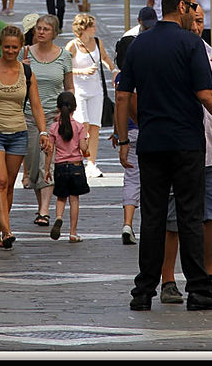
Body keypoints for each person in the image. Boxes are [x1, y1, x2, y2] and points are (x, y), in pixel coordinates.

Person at [116, 0, 212, 311]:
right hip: (187, 144)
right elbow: (206, 94)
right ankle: (199, 290)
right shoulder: (191, 44)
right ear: (181, 7)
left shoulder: (138, 44)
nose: (195, 12)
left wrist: (123, 140)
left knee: (152, 217)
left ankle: (143, 291)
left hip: (151, 144)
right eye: (192, 6)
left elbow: (122, 95)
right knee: (190, 215)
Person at [158, 5, 212, 305]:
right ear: (180, 15)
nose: (197, 26)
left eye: (201, 22)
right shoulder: (169, 49)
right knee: (173, 220)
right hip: (181, 147)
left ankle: (207, 276)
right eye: (193, 20)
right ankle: (168, 280)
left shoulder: (208, 52)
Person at [0, 24, 48, 250]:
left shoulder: (27, 73)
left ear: (21, 47)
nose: (10, 51)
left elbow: (36, 106)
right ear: (0, 46)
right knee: (0, 181)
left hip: (18, 133)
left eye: (14, 47)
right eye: (6, 47)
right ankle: (7, 230)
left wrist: (43, 132)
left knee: (9, 187)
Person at [21, 14, 74, 227]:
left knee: (48, 163)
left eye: (46, 29)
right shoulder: (25, 54)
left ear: (54, 33)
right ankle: (41, 205)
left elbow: (69, 87)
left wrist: (67, 111)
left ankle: (44, 211)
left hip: (54, 116)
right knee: (34, 166)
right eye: (38, 28)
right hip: (28, 116)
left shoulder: (64, 56)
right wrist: (22, 69)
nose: (41, 32)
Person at [64, 13, 116, 178]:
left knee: (94, 127)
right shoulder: (72, 46)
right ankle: (77, 160)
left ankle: (92, 164)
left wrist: (114, 71)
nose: (95, 29)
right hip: (78, 90)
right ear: (84, 29)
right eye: (92, 26)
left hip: (96, 91)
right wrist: (81, 71)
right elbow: (64, 69)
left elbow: (106, 58)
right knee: (83, 127)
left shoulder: (97, 42)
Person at [45, 91, 90, 242]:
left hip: (60, 166)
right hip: (76, 166)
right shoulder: (79, 127)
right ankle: (73, 232)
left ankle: (58, 217)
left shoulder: (53, 127)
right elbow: (83, 148)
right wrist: (87, 148)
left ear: (58, 108)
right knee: (74, 199)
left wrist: (46, 170)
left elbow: (49, 150)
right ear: (75, 108)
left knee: (61, 198)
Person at [112, 34, 140, 246]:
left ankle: (127, 222)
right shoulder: (148, 73)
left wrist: (118, 134)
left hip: (129, 133)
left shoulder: (121, 78)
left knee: (131, 177)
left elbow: (119, 106)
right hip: (150, 130)